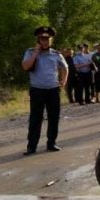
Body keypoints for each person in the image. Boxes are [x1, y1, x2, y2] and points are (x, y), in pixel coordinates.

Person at [21, 26, 69, 155]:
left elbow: (65, 67)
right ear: (38, 40)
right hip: (37, 90)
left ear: (51, 40)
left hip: (53, 90)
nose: (44, 41)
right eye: (42, 39)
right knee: (35, 119)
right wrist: (35, 53)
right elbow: (25, 66)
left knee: (53, 118)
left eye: (47, 39)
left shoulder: (56, 54)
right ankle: (31, 146)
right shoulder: (30, 52)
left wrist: (63, 80)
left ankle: (51, 143)